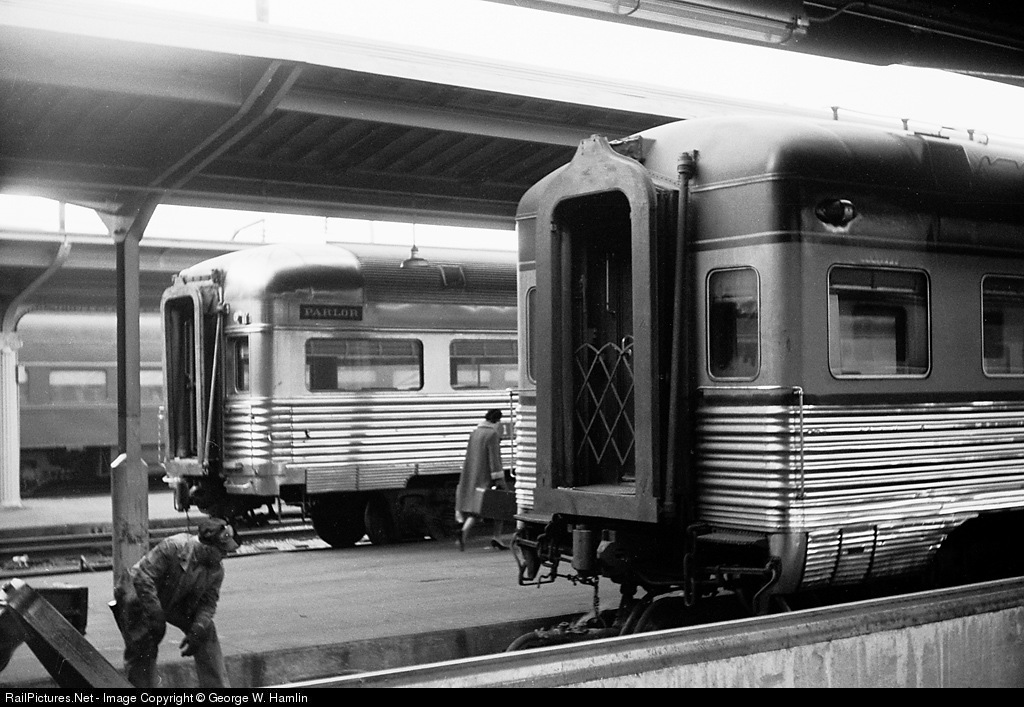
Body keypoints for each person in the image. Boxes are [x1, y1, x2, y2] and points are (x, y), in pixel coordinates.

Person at [112, 516, 239, 688]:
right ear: (207, 548)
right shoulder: (173, 547)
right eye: (222, 551)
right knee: (144, 642)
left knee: (206, 630)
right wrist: (155, 615)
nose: (225, 555)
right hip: (138, 594)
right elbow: (144, 577)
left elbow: (208, 603)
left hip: (174, 598)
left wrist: (198, 628)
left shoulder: (216, 570)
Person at [455, 408, 509, 551]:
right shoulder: (492, 434)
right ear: (497, 421)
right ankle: (496, 537)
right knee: (500, 505)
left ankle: (463, 532)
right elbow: (494, 459)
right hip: (486, 476)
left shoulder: (475, 433)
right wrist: (499, 479)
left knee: (477, 508)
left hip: (472, 474)